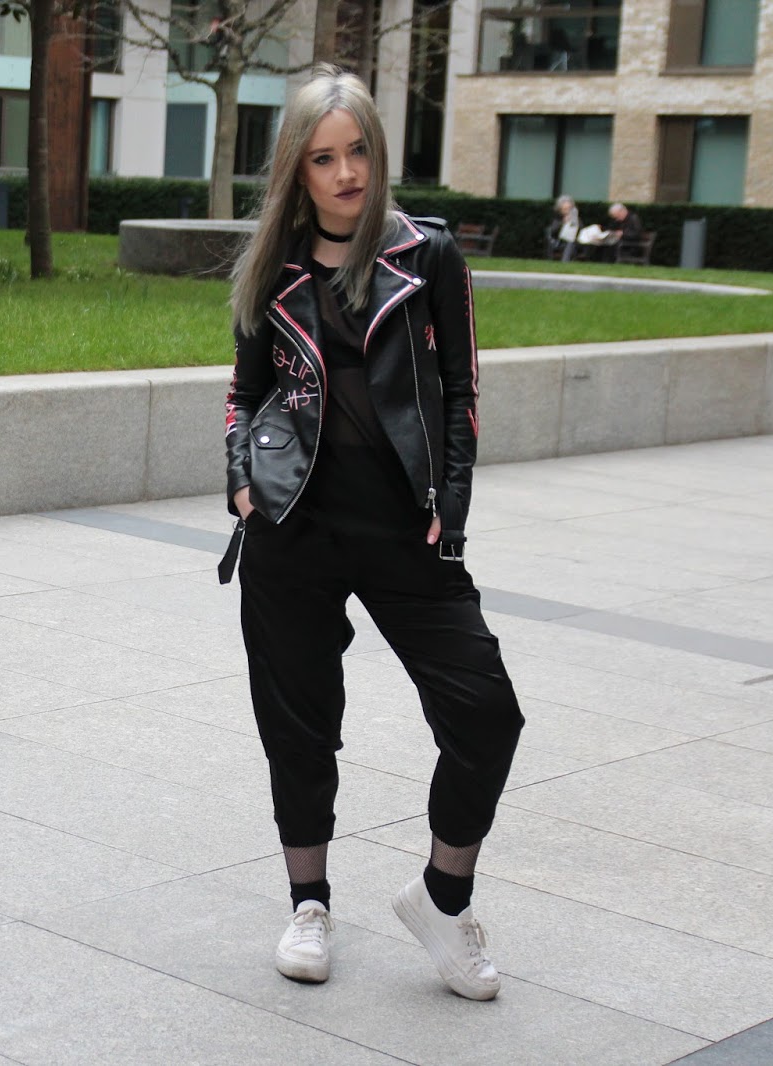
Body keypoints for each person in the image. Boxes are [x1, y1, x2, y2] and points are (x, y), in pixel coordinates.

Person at [218, 64, 524, 1000]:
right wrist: (242, 483)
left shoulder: (428, 257)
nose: (346, 173)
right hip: (294, 524)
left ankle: (443, 897)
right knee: (299, 725)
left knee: (486, 712)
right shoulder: (273, 266)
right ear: (297, 170)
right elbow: (244, 394)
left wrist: (449, 509)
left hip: (403, 526)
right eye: (323, 158)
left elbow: (461, 393)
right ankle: (308, 903)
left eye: (357, 152)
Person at [547, 195, 580, 261]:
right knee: (570, 242)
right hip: (559, 241)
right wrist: (563, 223)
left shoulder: (575, 218)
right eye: (565, 209)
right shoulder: (557, 218)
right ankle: (565, 261)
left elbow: (580, 230)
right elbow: (553, 232)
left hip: (575, 240)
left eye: (569, 209)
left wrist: (575, 223)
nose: (567, 211)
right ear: (560, 209)